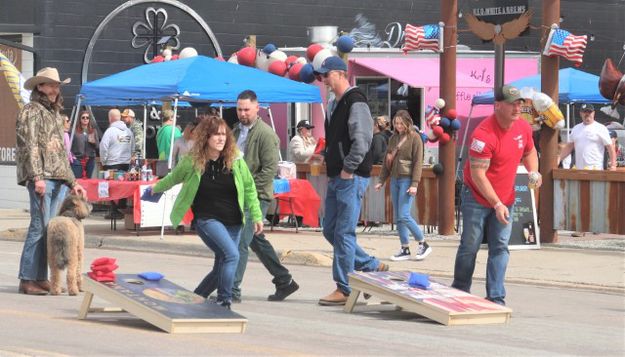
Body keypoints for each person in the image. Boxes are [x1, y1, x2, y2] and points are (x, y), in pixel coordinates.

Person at [151, 116, 263, 309]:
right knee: (232, 256)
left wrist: (257, 215)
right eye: (215, 135)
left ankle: (195, 299)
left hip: (234, 221)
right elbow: (173, 178)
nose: (221, 139)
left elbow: (250, 188)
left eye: (223, 135)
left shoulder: (236, 160)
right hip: (208, 219)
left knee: (220, 266)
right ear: (206, 137)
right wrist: (155, 188)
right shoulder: (192, 161)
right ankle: (224, 300)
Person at [452, 85, 540, 306]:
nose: (517, 108)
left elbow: (529, 151)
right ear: (497, 105)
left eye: (519, 103)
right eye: (512, 103)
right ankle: (460, 290)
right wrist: (496, 203)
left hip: (506, 197)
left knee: (500, 246)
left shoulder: (522, 127)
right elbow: (478, 174)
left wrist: (533, 171)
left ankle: (496, 297)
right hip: (477, 196)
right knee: (470, 245)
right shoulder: (482, 134)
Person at [313, 56, 387, 306]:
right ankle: (371, 266)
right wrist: (325, 156)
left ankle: (345, 287)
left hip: (350, 176)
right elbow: (338, 139)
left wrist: (348, 168)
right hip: (338, 174)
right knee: (331, 230)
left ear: (340, 73)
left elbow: (362, 140)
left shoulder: (355, 101)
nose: (323, 80)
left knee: (343, 232)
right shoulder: (336, 103)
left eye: (326, 75)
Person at [15, 67, 86, 295]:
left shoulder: (53, 113)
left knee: (48, 230)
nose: (56, 89)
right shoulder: (31, 111)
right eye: (52, 85)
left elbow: (60, 154)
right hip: (43, 178)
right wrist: (37, 177)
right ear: (40, 86)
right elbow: (31, 146)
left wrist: (72, 181)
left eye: (57, 85)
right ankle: (27, 279)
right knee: (38, 228)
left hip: (57, 178)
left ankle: (40, 277)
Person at [232, 90, 299, 303]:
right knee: (255, 240)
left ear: (257, 108)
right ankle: (284, 280)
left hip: (256, 196)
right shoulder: (234, 131)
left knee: (241, 242)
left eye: (246, 110)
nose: (243, 114)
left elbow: (269, 171)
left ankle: (231, 290)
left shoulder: (266, 134)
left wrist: (250, 194)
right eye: (239, 109)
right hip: (236, 194)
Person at [375, 110, 430, 261]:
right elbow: (388, 160)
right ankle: (405, 248)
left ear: (408, 122)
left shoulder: (415, 138)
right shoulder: (393, 138)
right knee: (399, 217)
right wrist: (381, 180)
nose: (398, 126)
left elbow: (418, 162)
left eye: (401, 123)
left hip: (407, 179)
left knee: (404, 214)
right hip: (394, 179)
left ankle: (423, 243)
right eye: (396, 123)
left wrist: (415, 183)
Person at [558, 104, 616, 171]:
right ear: (581, 114)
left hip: (596, 170)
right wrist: (559, 159)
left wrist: (613, 165)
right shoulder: (575, 128)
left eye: (589, 112)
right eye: (585, 112)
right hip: (579, 170)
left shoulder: (601, 128)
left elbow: (610, 147)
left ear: (593, 113)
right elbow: (569, 147)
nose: (587, 114)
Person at [100, 108, 134, 219]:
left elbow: (103, 147)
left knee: (110, 187)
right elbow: (132, 147)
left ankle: (114, 210)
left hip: (111, 164)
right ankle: (121, 208)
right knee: (123, 186)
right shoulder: (128, 131)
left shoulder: (109, 131)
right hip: (125, 164)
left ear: (110, 118)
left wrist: (104, 161)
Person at [70, 110, 99, 179]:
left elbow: (98, 146)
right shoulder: (74, 130)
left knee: (89, 181)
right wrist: (72, 157)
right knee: (77, 180)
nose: (85, 119)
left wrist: (94, 142)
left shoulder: (93, 131)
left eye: (87, 117)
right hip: (77, 159)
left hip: (90, 159)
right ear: (80, 119)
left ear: (89, 119)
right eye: (83, 117)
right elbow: (69, 145)